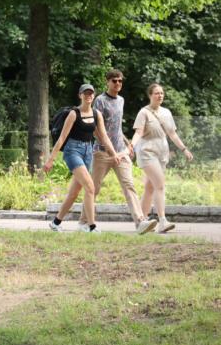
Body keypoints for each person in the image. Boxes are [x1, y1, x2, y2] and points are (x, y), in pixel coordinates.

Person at [43, 84, 120, 233]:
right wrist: (50, 160)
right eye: (85, 93)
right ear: (80, 95)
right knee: (90, 187)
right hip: (73, 151)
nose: (89, 96)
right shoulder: (74, 114)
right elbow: (62, 138)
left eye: (91, 93)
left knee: (74, 192)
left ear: (93, 96)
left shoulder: (97, 114)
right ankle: (90, 226)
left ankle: (55, 223)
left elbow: (103, 137)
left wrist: (114, 154)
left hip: (88, 152)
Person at [88, 70, 158, 234]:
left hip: (120, 152)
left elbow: (116, 127)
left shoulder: (121, 100)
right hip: (102, 153)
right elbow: (95, 129)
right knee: (94, 189)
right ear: (107, 82)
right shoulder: (100, 101)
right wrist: (108, 150)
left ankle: (140, 222)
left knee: (129, 186)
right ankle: (85, 221)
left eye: (120, 81)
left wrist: (128, 144)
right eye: (114, 81)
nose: (118, 84)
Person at [131, 83, 194, 234]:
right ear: (150, 95)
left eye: (162, 93)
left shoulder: (166, 112)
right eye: (156, 93)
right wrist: (131, 146)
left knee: (150, 187)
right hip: (147, 152)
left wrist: (184, 149)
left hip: (161, 154)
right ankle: (162, 221)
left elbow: (172, 134)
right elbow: (139, 133)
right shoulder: (143, 112)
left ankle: (142, 222)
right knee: (160, 185)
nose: (160, 96)